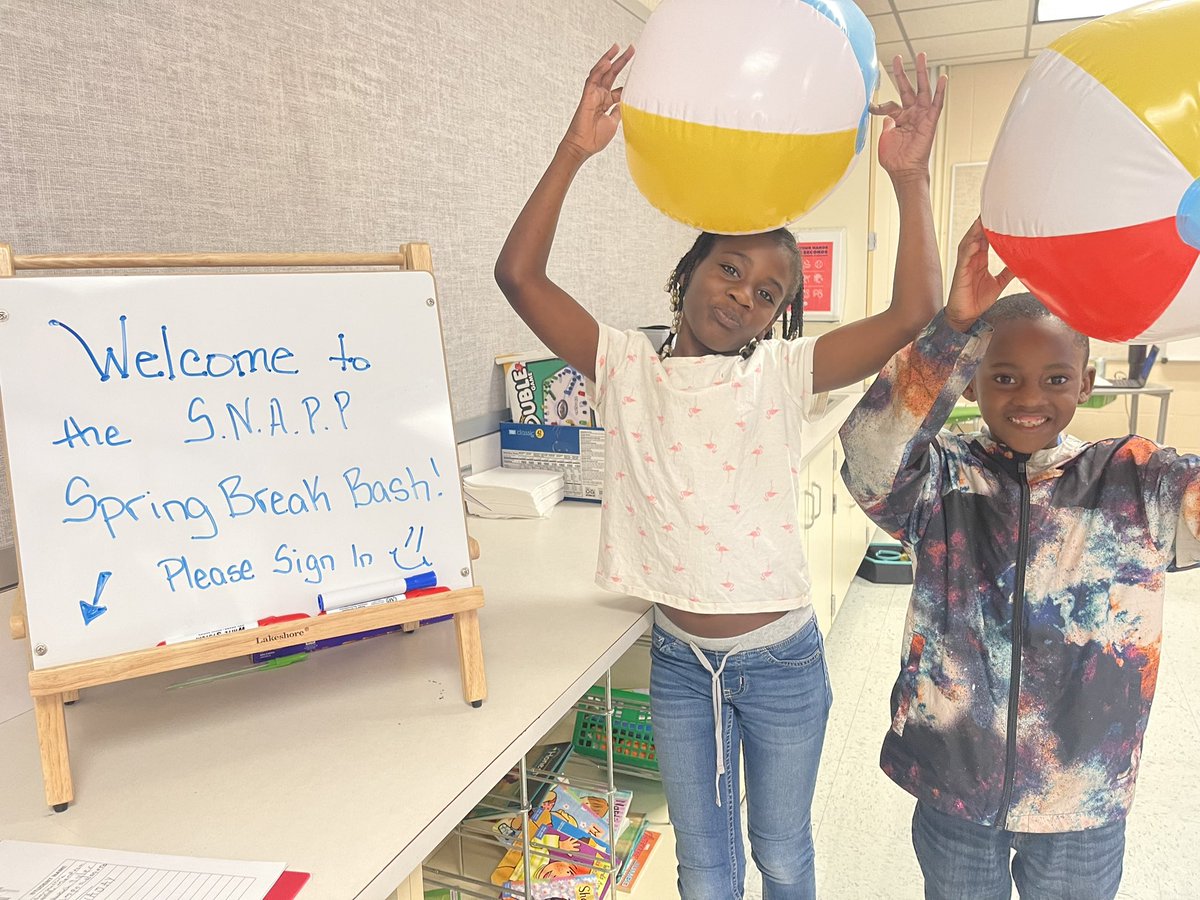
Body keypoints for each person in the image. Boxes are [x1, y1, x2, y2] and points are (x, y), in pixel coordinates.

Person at [495, 43, 946, 900]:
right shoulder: (623, 366)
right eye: (729, 268)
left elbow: (913, 310)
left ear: (780, 317)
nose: (743, 293)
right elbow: (518, 275)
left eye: (769, 291)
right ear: (687, 273)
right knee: (704, 873)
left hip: (779, 665)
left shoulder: (782, 376)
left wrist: (910, 181)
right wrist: (573, 152)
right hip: (678, 663)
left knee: (781, 856)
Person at [838, 218, 1200, 900]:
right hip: (956, 788)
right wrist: (950, 332)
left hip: (1080, 798)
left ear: (1086, 380)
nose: (1030, 397)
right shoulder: (942, 480)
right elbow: (866, 459)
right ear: (971, 384)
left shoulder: (1133, 482)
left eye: (1055, 377)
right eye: (1003, 377)